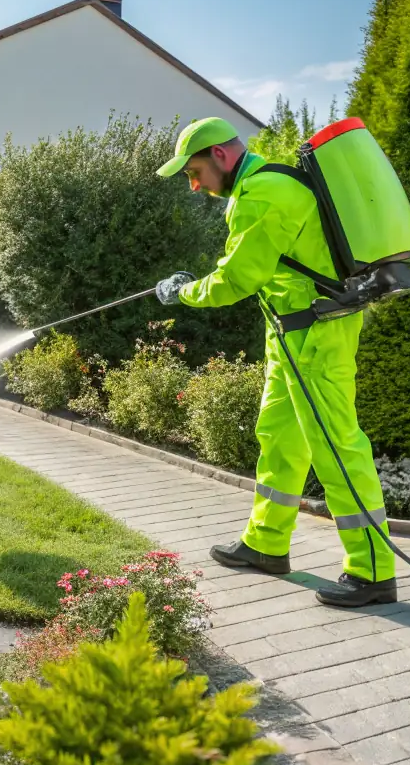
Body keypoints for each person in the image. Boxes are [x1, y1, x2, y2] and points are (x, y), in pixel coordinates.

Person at [154, 116, 396, 608]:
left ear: (221, 155)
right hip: (290, 331)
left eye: (195, 172)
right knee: (279, 436)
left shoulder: (263, 194)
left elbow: (234, 280)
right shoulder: (265, 186)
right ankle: (266, 543)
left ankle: (374, 571)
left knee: (336, 446)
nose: (195, 185)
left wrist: (182, 293)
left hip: (317, 334)